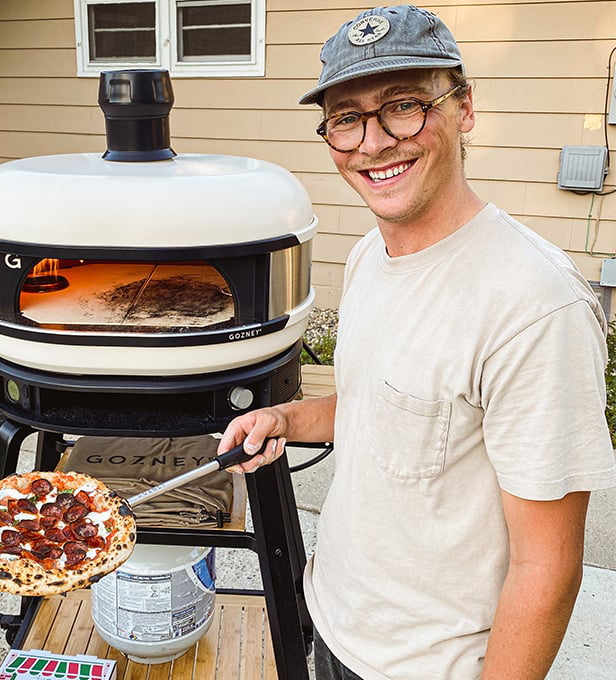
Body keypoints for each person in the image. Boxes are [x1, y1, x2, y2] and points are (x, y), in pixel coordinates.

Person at [218, 5, 616, 679]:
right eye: (346, 117)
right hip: (336, 621)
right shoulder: (369, 256)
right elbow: (376, 405)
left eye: (403, 106)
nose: (372, 142)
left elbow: (546, 568)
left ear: (463, 108)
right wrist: (285, 419)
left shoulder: (533, 304)